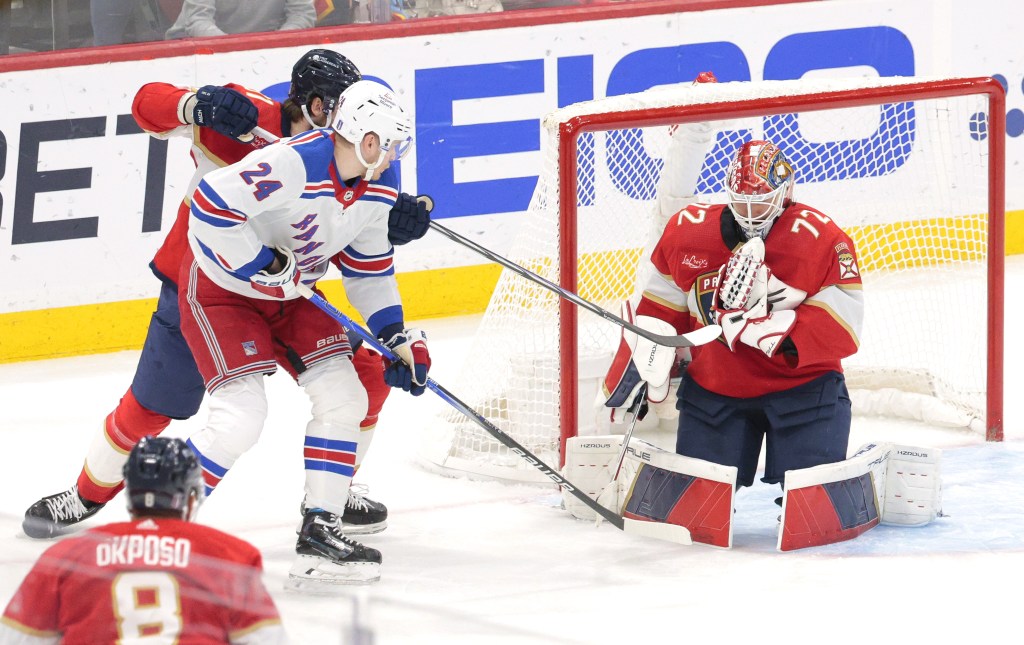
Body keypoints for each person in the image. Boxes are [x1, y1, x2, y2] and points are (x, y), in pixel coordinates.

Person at [23, 49, 432, 540]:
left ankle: (330, 497)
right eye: (332, 109)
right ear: (315, 105)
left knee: (365, 373)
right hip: (205, 281)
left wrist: (390, 220)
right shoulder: (247, 121)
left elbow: (354, 252)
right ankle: (85, 494)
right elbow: (145, 105)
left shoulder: (352, 159)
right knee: (154, 405)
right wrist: (194, 104)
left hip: (289, 288)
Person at [180, 78, 428, 585]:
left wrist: (397, 337)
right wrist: (261, 260)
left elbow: (369, 272)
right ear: (368, 138)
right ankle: (156, 526)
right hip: (226, 290)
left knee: (345, 399)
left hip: (293, 296)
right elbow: (208, 205)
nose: (396, 153)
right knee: (241, 419)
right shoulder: (293, 162)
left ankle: (320, 530)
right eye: (393, 142)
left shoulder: (379, 184)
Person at [603, 138, 863, 496]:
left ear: (785, 191)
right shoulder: (687, 232)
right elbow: (660, 310)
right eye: (743, 201)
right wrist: (643, 359)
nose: (751, 212)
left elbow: (846, 327)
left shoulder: (821, 238)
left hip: (802, 391)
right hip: (716, 391)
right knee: (699, 505)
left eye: (762, 201)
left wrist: (774, 329)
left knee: (811, 500)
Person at [2, 437, 286, 643]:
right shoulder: (231, 556)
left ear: (131, 495)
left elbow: (16, 637)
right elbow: (266, 639)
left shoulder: (65, 557)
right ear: (189, 497)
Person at [165, 0, 315, 39]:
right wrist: (233, 47)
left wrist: (276, 41)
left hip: (266, 46)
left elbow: (302, 14)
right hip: (191, 48)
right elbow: (198, 21)